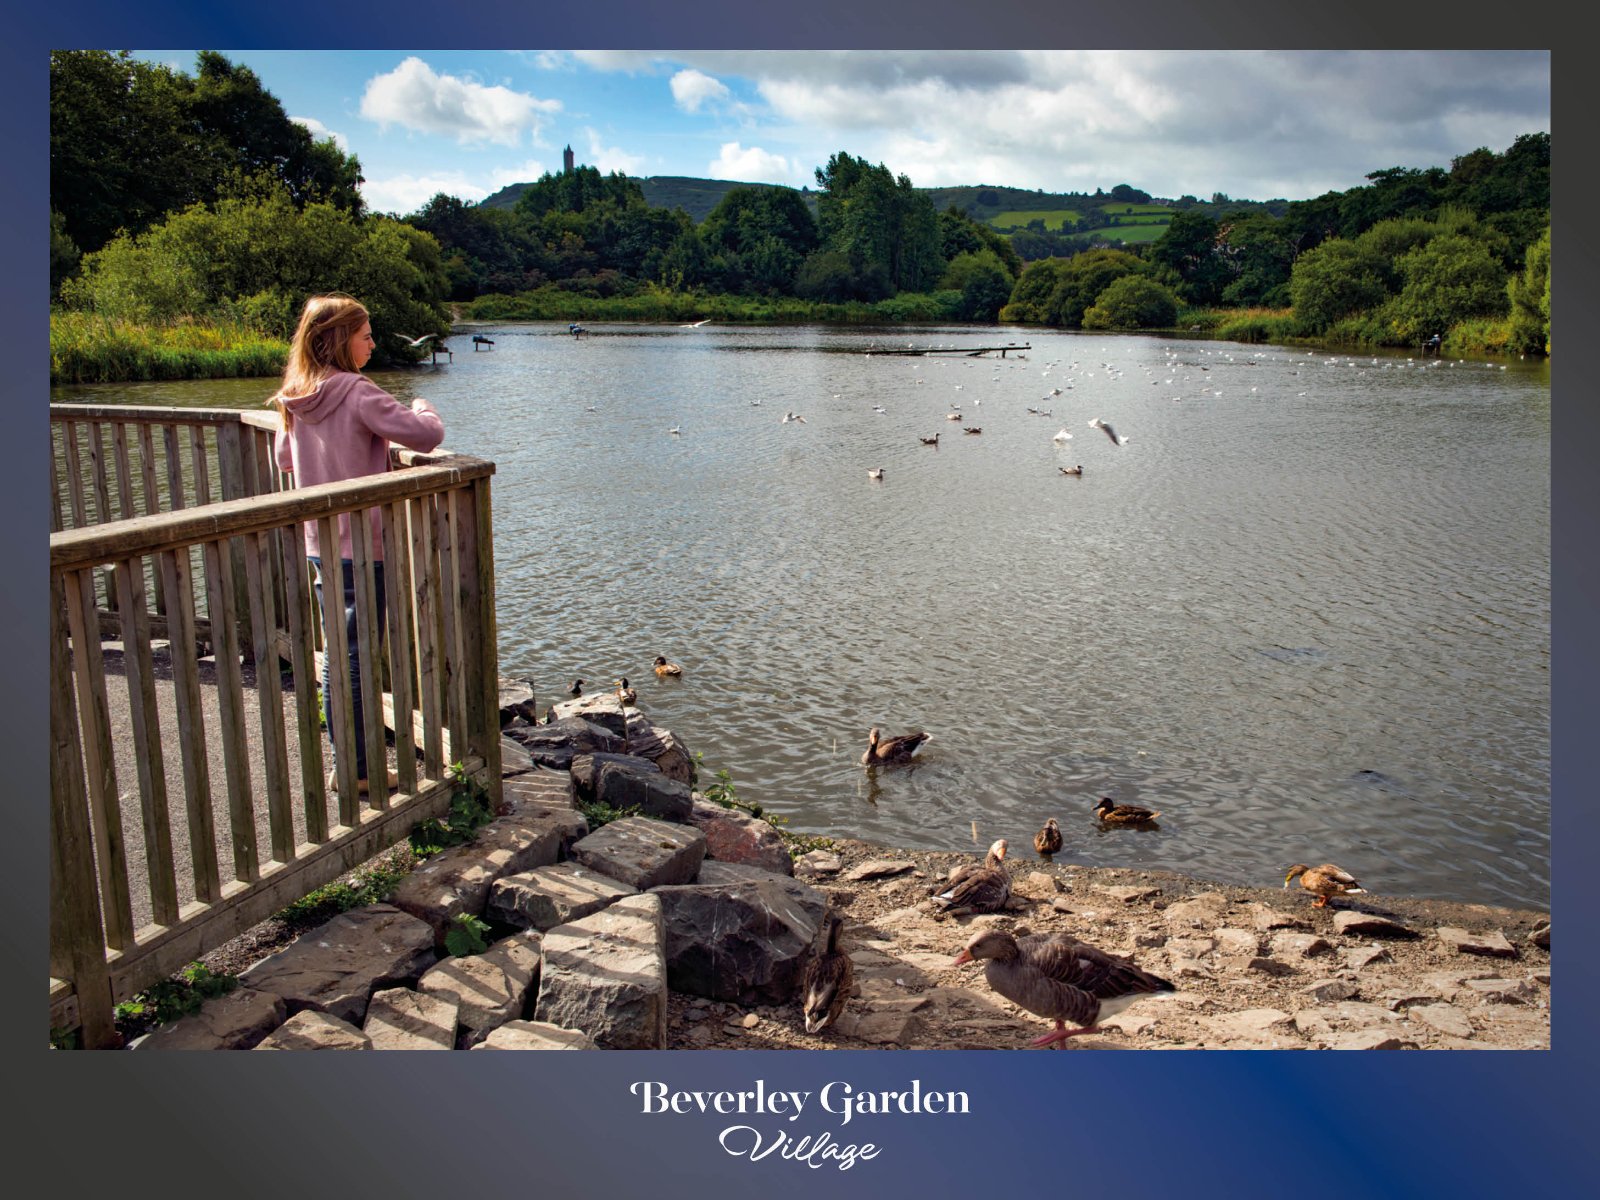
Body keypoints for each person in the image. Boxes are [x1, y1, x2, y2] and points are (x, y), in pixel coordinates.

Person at [272, 293, 446, 796]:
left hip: (319, 541)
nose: (372, 344)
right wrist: (423, 405)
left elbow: (285, 459)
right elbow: (425, 435)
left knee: (339, 651)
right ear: (339, 340)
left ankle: (345, 761)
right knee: (355, 656)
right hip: (362, 547)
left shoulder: (297, 394)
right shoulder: (356, 391)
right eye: (365, 336)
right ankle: (359, 770)